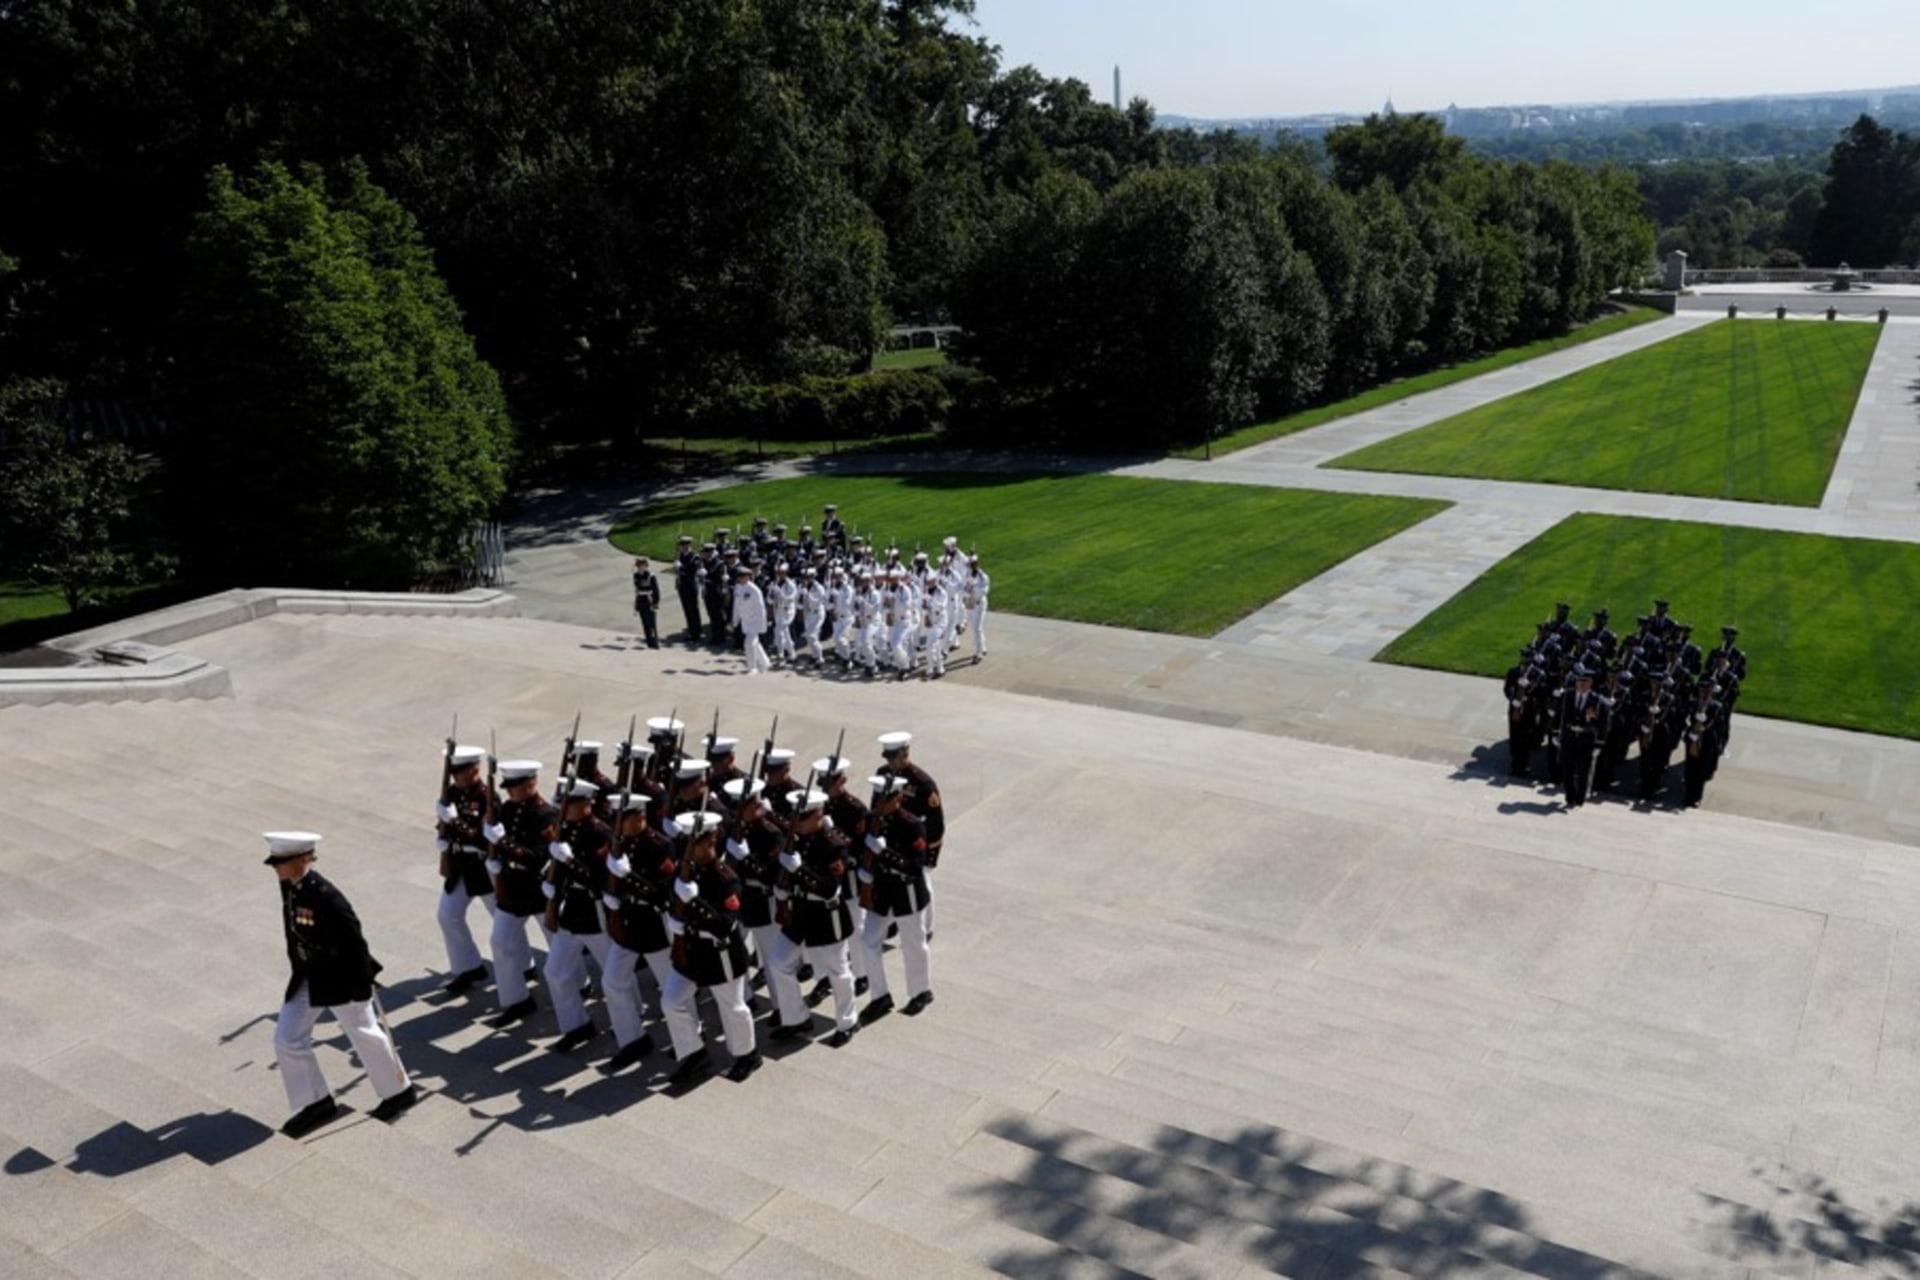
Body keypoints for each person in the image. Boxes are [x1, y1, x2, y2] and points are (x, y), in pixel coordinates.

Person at [265, 832, 418, 1136]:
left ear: (303, 860)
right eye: (275, 862)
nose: (276, 868)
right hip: (309, 975)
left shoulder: (325, 896)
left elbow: (355, 941)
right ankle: (316, 1102)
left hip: (341, 976)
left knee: (364, 1032)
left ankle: (398, 1092)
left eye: (281, 862)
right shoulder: (291, 886)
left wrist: (361, 985)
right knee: (287, 1037)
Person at [660, 812, 760, 1087]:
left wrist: (694, 901)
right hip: (690, 948)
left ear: (711, 843)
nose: (689, 852)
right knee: (672, 1001)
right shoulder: (685, 871)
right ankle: (695, 1054)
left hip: (720, 953)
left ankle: (748, 1054)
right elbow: (670, 896)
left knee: (732, 1006)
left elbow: (725, 926)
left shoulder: (726, 878)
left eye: (696, 845)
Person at [542, 779, 621, 1055]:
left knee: (615, 976)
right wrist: (551, 882)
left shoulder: (601, 834)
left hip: (595, 912)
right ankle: (576, 1025)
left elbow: (599, 880)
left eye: (571, 804)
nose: (565, 809)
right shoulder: (566, 829)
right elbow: (559, 868)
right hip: (571, 911)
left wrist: (570, 862)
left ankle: (629, 1021)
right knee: (555, 972)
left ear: (587, 804)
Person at [776, 787, 860, 1045]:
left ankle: (848, 1021)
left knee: (838, 971)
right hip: (801, 910)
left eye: (803, 818)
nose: (798, 823)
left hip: (826, 913)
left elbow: (828, 889)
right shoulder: (798, 839)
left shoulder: (834, 845)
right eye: (796, 818)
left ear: (819, 816)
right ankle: (797, 1018)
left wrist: (798, 869)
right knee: (779, 963)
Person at [858, 777, 933, 1023]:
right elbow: (861, 851)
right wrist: (864, 870)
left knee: (913, 943)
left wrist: (885, 853)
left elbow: (916, 866)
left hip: (906, 890)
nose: (880, 804)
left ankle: (920, 991)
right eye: (877, 798)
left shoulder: (912, 825)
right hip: (882, 890)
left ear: (898, 797)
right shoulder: (871, 820)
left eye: (885, 799)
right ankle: (880, 996)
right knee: (868, 940)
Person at [485, 759, 552, 1027]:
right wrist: (494, 855)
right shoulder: (507, 809)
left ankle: (579, 985)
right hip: (511, 887)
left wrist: (503, 842)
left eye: (514, 787)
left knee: (557, 943)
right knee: (500, 943)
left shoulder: (546, 815)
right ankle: (517, 999)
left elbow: (537, 858)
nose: (510, 792)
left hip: (537, 889)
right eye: (509, 787)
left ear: (530, 785)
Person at [434, 744, 495, 993]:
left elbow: (484, 839)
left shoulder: (487, 797)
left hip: (483, 866)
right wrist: (443, 834)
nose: (455, 777)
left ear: (474, 769)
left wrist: (454, 821)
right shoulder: (452, 792)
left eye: (460, 771)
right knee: (447, 915)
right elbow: (445, 824)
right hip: (459, 864)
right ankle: (468, 966)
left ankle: (524, 967)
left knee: (504, 921)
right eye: (453, 772)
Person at [878, 731, 943, 936]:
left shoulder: (923, 783)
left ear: (905, 754)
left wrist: (930, 854)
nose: (890, 762)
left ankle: (926, 928)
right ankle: (891, 923)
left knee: (923, 885)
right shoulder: (882, 774)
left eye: (894, 757)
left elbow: (936, 823)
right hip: (891, 840)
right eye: (888, 758)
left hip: (916, 842)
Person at [733, 564, 771, 675]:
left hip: (755, 620)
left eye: (743, 576)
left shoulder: (754, 589)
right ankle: (765, 662)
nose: (741, 578)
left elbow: (761, 608)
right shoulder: (738, 588)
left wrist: (763, 624)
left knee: (749, 644)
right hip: (745, 620)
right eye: (739, 576)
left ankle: (753, 667)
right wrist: (735, 619)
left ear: (748, 577)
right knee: (755, 643)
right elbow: (736, 605)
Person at [674, 534, 703, 645]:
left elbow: (692, 571)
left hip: (691, 586)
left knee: (693, 610)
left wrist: (681, 567)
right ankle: (691, 631)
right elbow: (678, 572)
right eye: (682, 545)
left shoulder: (694, 557)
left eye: (685, 545)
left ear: (689, 545)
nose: (683, 547)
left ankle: (697, 633)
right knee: (686, 609)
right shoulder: (680, 556)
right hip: (682, 586)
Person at [961, 554, 990, 661]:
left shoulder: (983, 577)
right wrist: (967, 591)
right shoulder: (967, 575)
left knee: (977, 628)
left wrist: (974, 587)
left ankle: (978, 653)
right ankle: (983, 646)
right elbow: (963, 589)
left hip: (979, 604)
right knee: (975, 628)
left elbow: (984, 592)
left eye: (971, 565)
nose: (969, 567)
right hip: (970, 603)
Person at [632, 557, 662, 649]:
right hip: (641, 600)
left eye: (642, 565)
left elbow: (656, 591)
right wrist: (636, 605)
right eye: (639, 566)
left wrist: (655, 603)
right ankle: (649, 641)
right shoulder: (636, 575)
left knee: (651, 623)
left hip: (649, 600)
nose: (640, 568)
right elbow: (637, 589)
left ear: (646, 566)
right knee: (644, 622)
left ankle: (654, 642)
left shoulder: (651, 576)